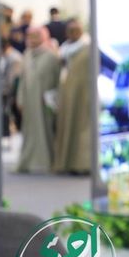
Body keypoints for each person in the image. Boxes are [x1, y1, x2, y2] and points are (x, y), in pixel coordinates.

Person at [16, 26, 61, 173]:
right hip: (29, 101)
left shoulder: (51, 56)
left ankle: (46, 161)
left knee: (46, 130)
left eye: (35, 36)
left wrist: (56, 101)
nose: (32, 39)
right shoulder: (27, 55)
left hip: (45, 101)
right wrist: (20, 99)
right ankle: (28, 161)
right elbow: (23, 80)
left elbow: (57, 81)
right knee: (29, 131)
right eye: (30, 36)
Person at [53, 19, 92, 174]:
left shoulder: (87, 47)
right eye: (70, 31)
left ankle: (82, 164)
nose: (73, 33)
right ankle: (66, 162)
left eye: (76, 30)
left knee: (82, 128)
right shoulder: (64, 49)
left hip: (84, 94)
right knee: (67, 126)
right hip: (67, 93)